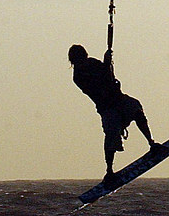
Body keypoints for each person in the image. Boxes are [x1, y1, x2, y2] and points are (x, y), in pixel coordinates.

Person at [68, 44, 159, 186]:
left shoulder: (93, 62)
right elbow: (98, 83)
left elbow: (108, 77)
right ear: (74, 61)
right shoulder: (78, 76)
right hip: (107, 107)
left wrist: (107, 63)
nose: (82, 60)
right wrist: (106, 64)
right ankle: (109, 170)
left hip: (119, 99)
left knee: (137, 111)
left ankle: (152, 143)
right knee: (111, 135)